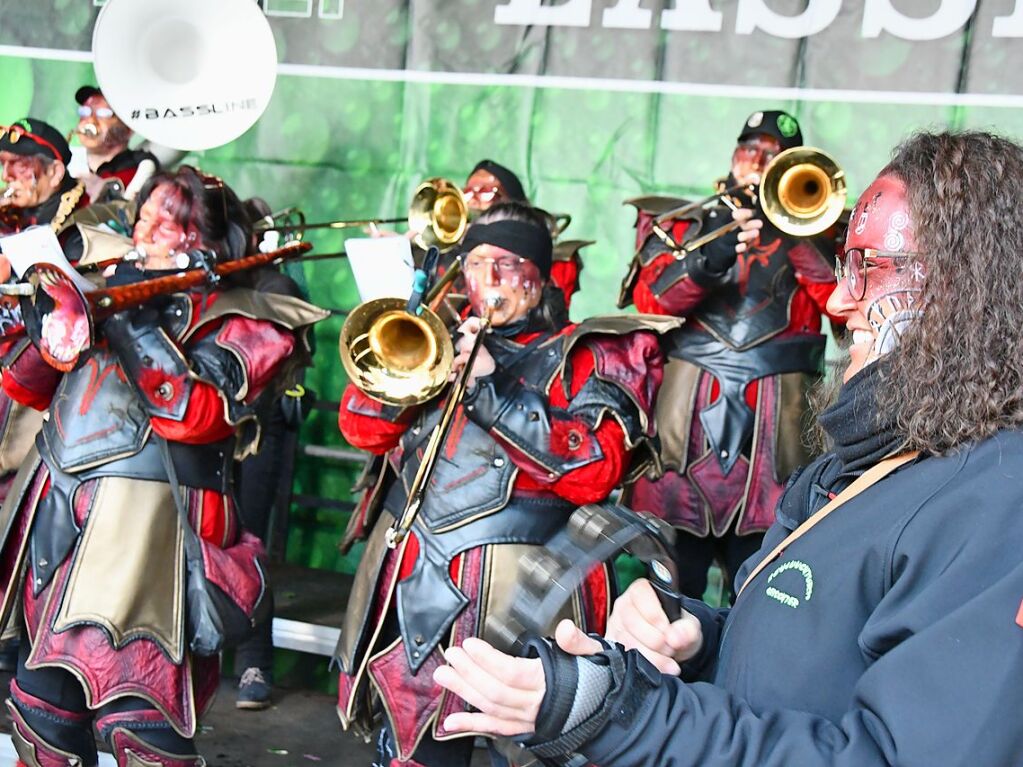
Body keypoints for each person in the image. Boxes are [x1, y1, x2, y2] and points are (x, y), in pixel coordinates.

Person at [432, 130, 1023, 766]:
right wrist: (703, 638)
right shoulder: (865, 461)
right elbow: (814, 665)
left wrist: (628, 714)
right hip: (691, 460)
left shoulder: (1002, 504)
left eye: (869, 267)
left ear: (968, 290)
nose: (842, 297)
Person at [0, 166, 325, 766]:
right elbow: (28, 386)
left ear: (205, 242)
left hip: (151, 541)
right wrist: (46, 318)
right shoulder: (103, 281)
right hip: (60, 519)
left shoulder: (251, 314)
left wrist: (134, 323)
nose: (146, 229)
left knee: (140, 724)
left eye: (166, 222)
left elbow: (197, 415)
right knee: (41, 712)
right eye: (144, 215)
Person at [335, 202, 672, 767]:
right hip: (414, 575)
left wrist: (491, 388)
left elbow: (595, 471)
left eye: (508, 263)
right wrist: (418, 354)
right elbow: (361, 429)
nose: (488, 279)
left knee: (521, 753)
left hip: (529, 595)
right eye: (476, 262)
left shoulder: (592, 352)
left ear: (540, 277)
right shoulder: (439, 339)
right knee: (412, 751)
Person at [618, 110, 842, 602]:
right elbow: (651, 303)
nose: (759, 163)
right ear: (733, 157)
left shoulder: (822, 227)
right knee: (670, 584)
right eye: (750, 151)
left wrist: (795, 232)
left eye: (772, 156)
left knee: (760, 583)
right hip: (685, 424)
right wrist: (708, 253)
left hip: (775, 442)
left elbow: (841, 311)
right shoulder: (685, 222)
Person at [72, 85, 159, 202]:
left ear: (128, 128)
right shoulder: (68, 163)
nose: (90, 120)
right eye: (85, 111)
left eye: (104, 113)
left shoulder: (139, 170)